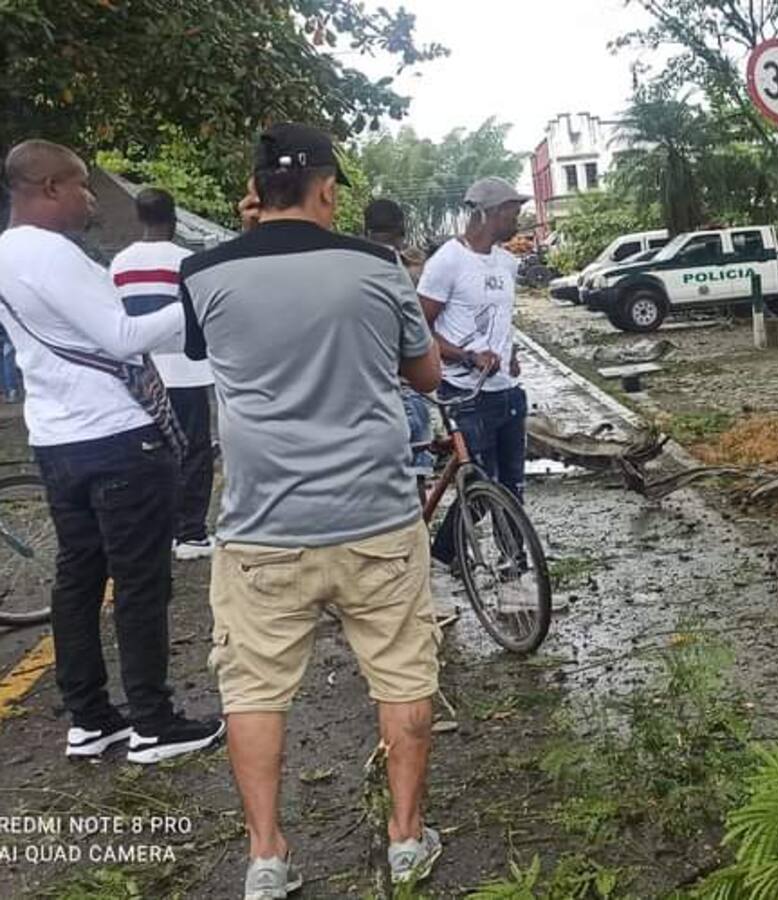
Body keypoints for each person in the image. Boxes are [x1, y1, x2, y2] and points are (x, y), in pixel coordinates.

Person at [179, 123, 444, 899]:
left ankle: (267, 856)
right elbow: (424, 378)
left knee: (255, 690)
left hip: (263, 531)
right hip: (378, 520)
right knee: (402, 676)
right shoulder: (377, 264)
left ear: (257, 192)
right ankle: (404, 841)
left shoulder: (203, 272)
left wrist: (247, 233)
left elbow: (215, 347)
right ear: (327, 188)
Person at [0, 140, 224, 762]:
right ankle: (154, 723)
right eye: (79, 185)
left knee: (77, 578)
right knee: (140, 582)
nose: (90, 198)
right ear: (47, 188)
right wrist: (193, 308)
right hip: (118, 439)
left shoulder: (5, 253)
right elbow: (121, 338)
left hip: (56, 439)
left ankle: (90, 718)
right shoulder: (51, 254)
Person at [417, 177, 528, 567]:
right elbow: (420, 330)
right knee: (480, 486)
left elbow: (503, 319)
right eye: (512, 212)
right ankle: (447, 552)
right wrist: (465, 356)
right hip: (465, 393)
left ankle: (514, 564)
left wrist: (509, 352)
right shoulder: (447, 262)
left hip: (507, 389)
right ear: (488, 213)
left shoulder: (506, 262)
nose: (518, 218)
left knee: (512, 485)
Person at [110, 189, 216, 559]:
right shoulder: (188, 262)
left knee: (152, 452)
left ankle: (161, 530)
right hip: (186, 370)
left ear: (140, 217)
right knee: (195, 450)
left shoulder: (119, 264)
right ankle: (191, 534)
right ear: (173, 218)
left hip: (140, 373)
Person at [365, 198, 434, 477]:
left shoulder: (351, 270)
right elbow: (426, 366)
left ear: (365, 229)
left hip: (369, 398)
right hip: (410, 388)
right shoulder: (412, 270)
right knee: (417, 475)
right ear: (402, 230)